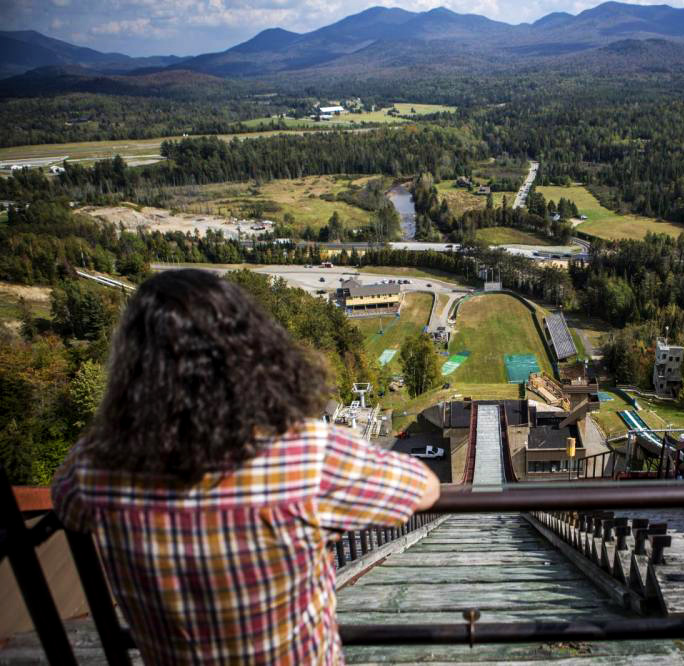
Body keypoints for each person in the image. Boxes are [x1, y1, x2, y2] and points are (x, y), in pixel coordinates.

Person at [51, 269, 440, 664]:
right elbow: (424, 489)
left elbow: (65, 503)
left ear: (133, 369)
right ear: (250, 354)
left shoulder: (96, 466)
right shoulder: (304, 455)